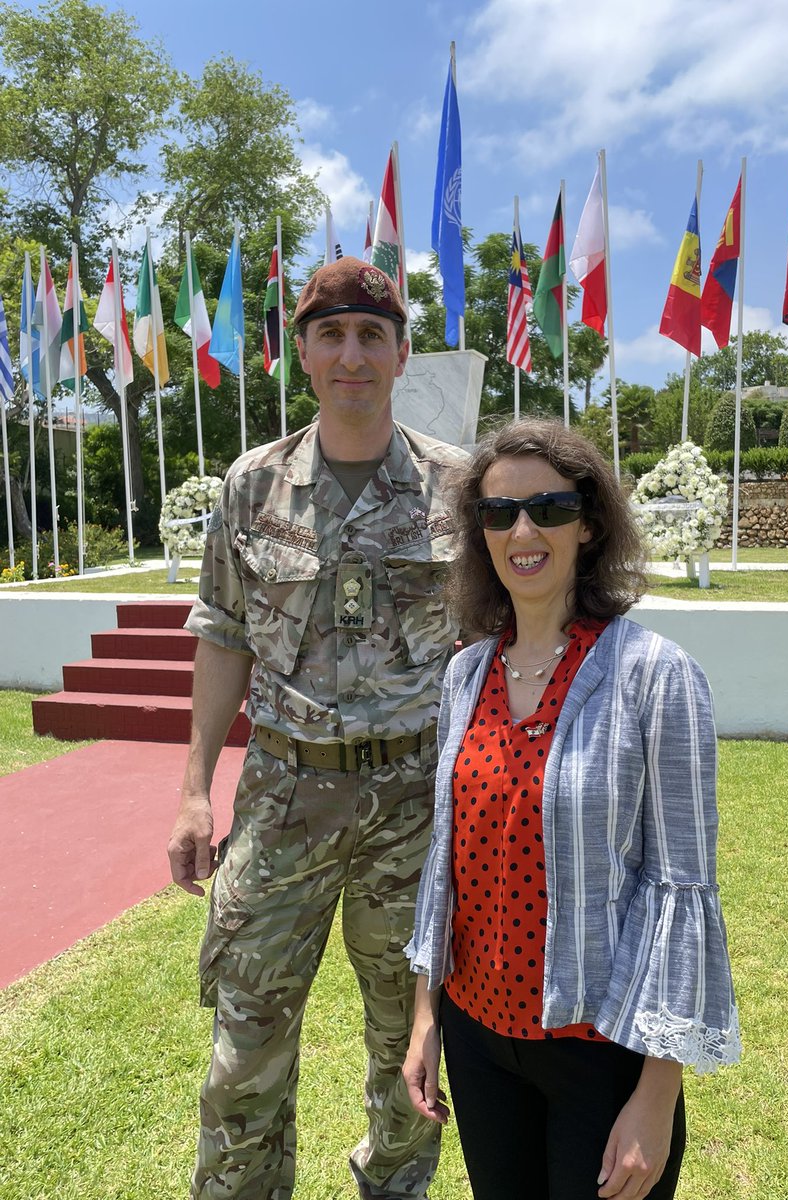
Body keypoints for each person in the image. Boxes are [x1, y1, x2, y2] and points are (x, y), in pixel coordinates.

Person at [166, 256, 469, 1200]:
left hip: (414, 806)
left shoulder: (459, 489)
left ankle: (395, 1187)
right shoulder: (251, 488)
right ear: (302, 352)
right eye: (331, 335)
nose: (352, 355)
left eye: (371, 335)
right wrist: (191, 794)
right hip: (282, 797)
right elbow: (222, 638)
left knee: (410, 1043)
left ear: (401, 352)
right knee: (245, 1041)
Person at [402, 420, 741, 1200]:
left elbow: (681, 889)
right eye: (498, 513)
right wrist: (427, 1020)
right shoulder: (465, 675)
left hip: (603, 1050)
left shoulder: (655, 676)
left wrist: (657, 1098)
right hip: (480, 1041)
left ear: (588, 525)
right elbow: (446, 862)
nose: (523, 530)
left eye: (549, 508)